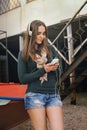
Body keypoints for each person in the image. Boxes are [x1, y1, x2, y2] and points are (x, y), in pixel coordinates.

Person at [18, 20, 64, 130]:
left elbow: (60, 71)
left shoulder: (51, 49)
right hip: (34, 95)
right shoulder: (23, 53)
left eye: (43, 33)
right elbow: (23, 78)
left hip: (53, 94)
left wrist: (56, 67)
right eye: (38, 33)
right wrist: (43, 70)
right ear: (30, 33)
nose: (42, 36)